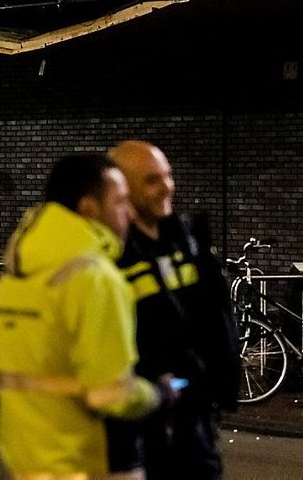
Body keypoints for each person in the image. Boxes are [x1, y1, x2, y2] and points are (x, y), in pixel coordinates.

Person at [0, 153, 175, 478]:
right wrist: (159, 393)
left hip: (26, 461)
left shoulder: (19, 270)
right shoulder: (94, 278)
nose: (129, 213)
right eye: (119, 202)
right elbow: (111, 396)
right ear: (89, 207)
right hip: (85, 462)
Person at [109, 140, 239, 480]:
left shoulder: (186, 241)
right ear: (121, 187)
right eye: (152, 179)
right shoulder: (112, 255)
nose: (166, 186)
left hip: (194, 416)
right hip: (143, 422)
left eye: (168, 176)